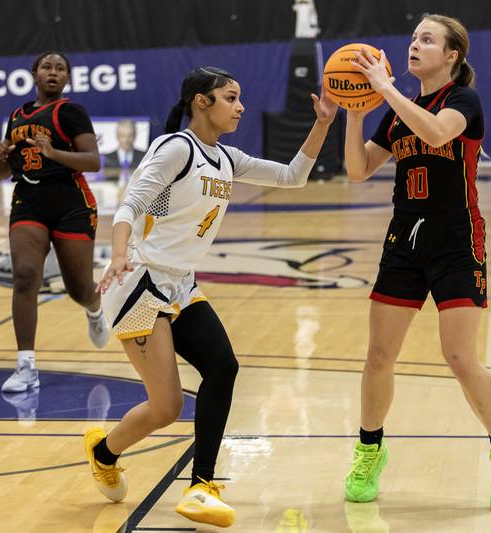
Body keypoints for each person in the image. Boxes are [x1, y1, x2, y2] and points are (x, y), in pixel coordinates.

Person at [83, 66, 337, 527]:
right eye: (231, 97)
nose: (241, 107)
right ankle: (103, 451)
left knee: (223, 366)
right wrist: (119, 254)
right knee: (166, 408)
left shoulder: (226, 158)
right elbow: (129, 205)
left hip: (180, 283)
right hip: (138, 283)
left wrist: (322, 123)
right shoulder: (175, 148)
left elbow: (293, 176)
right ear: (202, 101)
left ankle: (202, 486)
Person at [342, 14, 491, 511]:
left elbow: (438, 136)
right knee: (379, 356)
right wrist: (354, 111)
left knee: (459, 357)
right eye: (413, 37)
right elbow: (358, 170)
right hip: (403, 238)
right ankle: (368, 450)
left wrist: (384, 90)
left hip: (456, 240)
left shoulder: (462, 101)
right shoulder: (396, 109)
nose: (414, 44)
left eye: (427, 39)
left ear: (451, 55)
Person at [0, 51, 110, 393]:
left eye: (60, 68)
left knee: (79, 289)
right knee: (26, 276)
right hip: (28, 202)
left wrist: (54, 153)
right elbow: (5, 171)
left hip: (71, 203)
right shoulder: (16, 116)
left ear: (67, 78)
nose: (53, 72)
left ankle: (94, 306)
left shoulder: (71, 112)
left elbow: (93, 160)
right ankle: (26, 366)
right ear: (35, 74)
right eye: (47, 67)